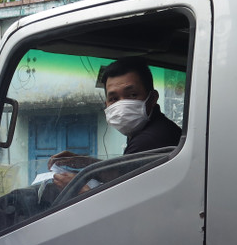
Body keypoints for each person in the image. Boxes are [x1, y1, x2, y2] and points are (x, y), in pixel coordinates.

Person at [51, 57, 182, 190]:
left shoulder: (149, 140)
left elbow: (123, 199)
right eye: (113, 98)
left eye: (132, 95)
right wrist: (85, 163)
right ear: (106, 105)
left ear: (152, 98)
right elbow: (122, 173)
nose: (122, 105)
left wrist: (78, 188)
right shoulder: (155, 128)